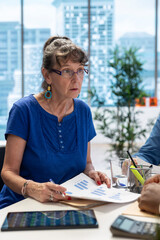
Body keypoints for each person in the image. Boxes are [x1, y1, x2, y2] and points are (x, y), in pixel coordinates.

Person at [0, 36, 111, 209]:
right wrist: (33, 188)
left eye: (80, 70)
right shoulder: (24, 110)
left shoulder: (83, 111)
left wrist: (92, 173)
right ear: (47, 75)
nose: (76, 79)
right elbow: (8, 172)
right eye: (67, 71)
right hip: (21, 206)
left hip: (66, 206)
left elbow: (87, 163)